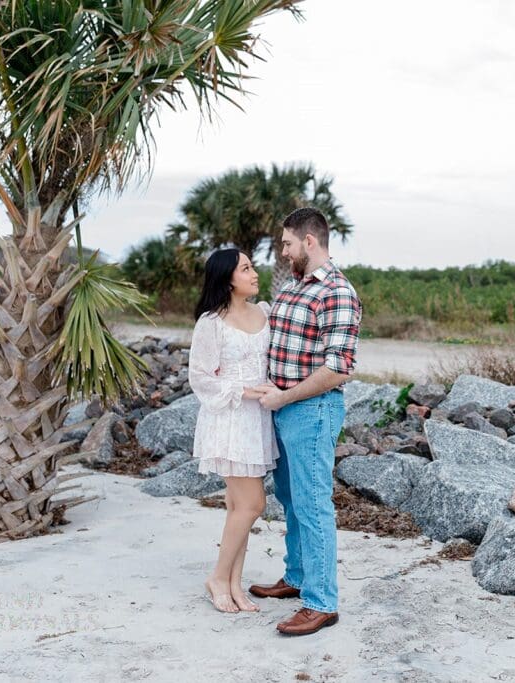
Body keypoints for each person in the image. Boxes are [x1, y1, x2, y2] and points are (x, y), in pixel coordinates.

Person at [248, 207, 363, 636]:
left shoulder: (337, 292)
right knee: (292, 500)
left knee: (314, 505)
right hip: (281, 407)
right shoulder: (294, 286)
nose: (282, 250)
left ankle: (322, 602)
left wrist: (285, 397)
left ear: (309, 242)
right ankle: (296, 578)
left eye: (287, 243)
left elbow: (339, 368)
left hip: (311, 411)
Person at [188, 248, 278, 614]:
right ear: (227, 278)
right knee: (254, 504)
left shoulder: (265, 312)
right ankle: (217, 577)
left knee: (239, 506)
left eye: (253, 266)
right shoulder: (211, 322)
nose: (254, 273)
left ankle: (234, 585)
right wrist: (243, 390)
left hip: (258, 419)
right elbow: (200, 378)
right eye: (246, 268)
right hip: (229, 418)